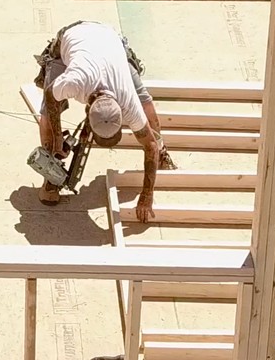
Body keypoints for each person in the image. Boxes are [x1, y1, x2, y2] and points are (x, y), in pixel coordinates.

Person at [27, 21, 174, 221]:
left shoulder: (128, 102)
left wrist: (147, 195)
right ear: (87, 112)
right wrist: (57, 140)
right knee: (47, 116)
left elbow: (150, 145)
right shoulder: (74, 82)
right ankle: (51, 174)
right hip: (73, 37)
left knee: (146, 104)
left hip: (110, 40)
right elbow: (51, 95)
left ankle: (163, 153)